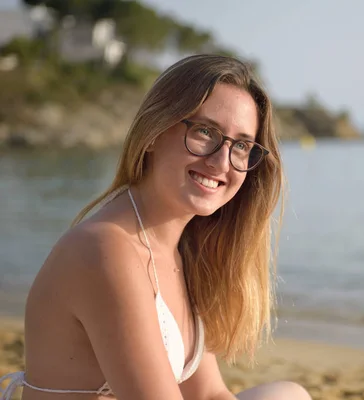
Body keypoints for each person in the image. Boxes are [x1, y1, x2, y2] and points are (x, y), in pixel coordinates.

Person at [0, 54, 311, 400]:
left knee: (287, 395)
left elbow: (207, 393)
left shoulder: (180, 249)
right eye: (205, 132)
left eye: (241, 146)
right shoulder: (105, 249)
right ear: (154, 132)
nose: (222, 161)